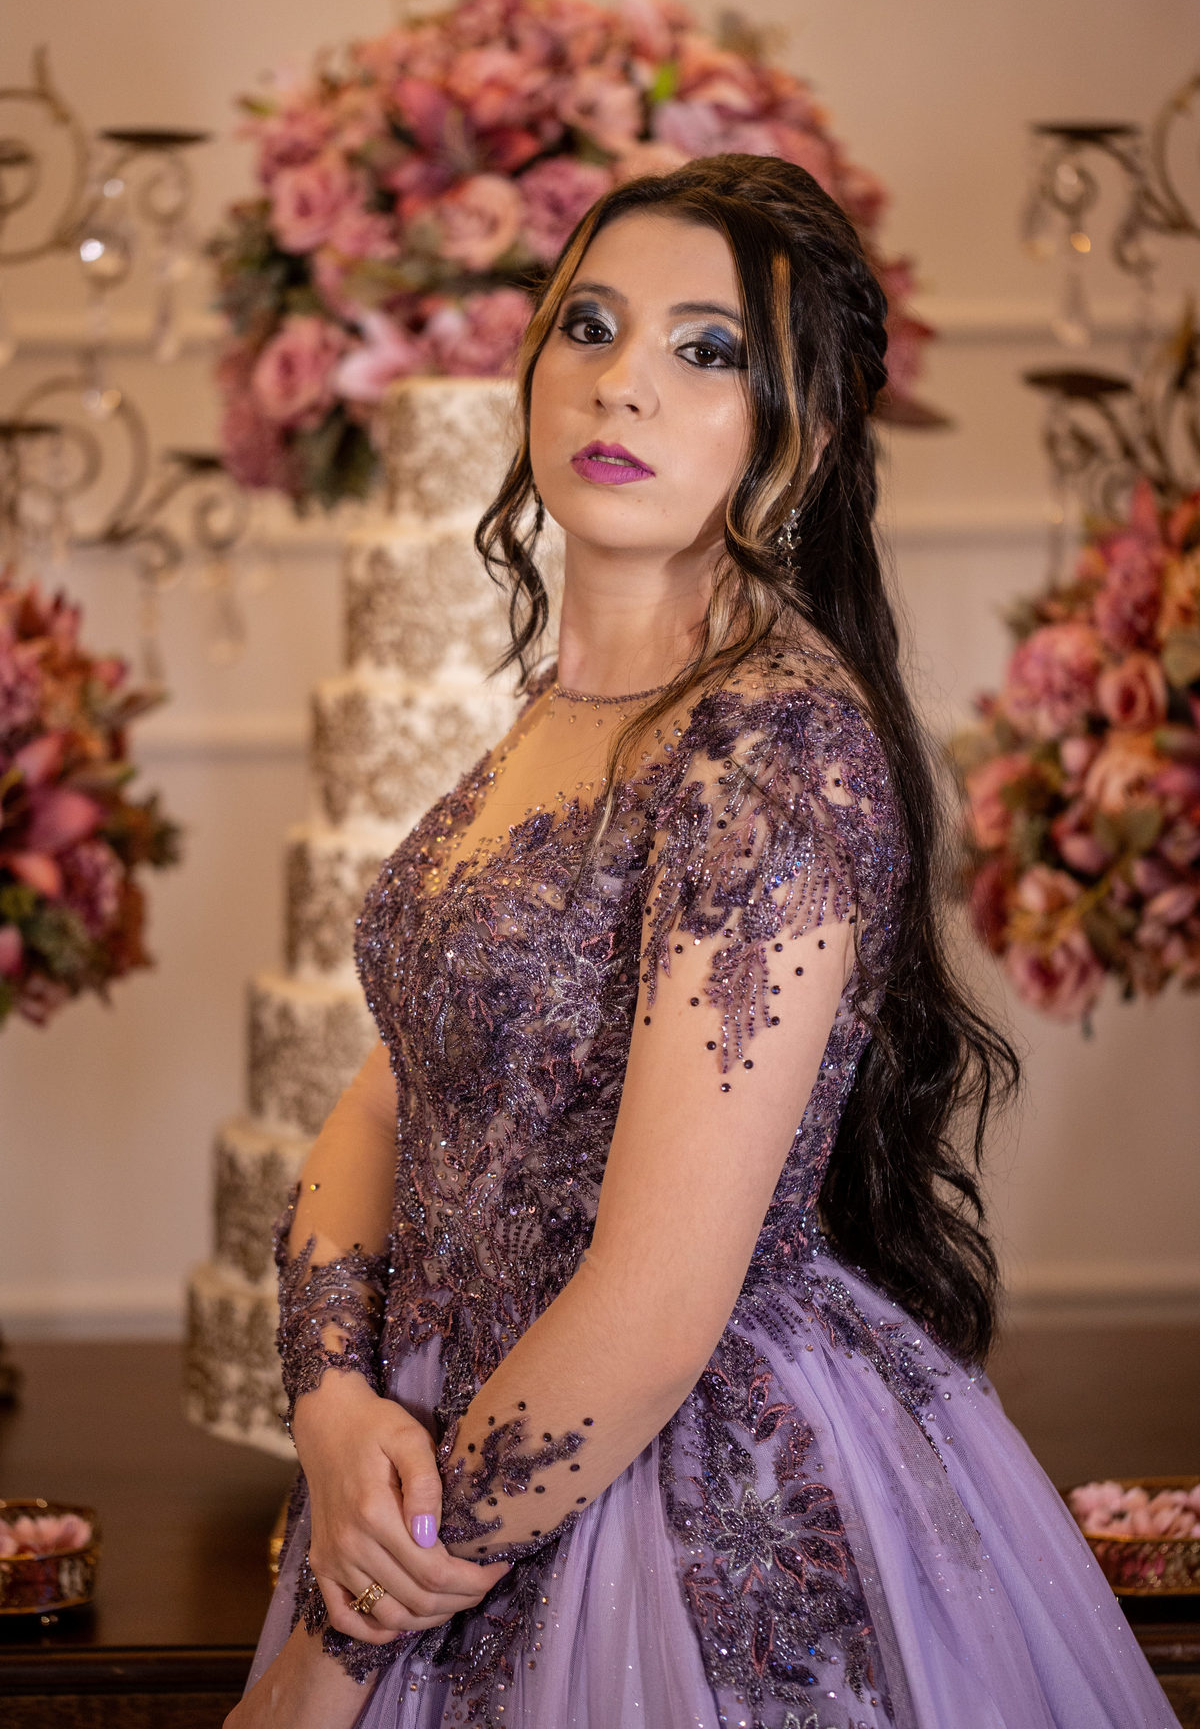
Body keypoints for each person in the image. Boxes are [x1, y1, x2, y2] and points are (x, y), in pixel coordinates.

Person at [230, 154, 1178, 1729]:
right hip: (434, 1454)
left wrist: (342, 1645)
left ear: (800, 434)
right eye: (590, 325)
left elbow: (659, 1307)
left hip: (662, 1492)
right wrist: (331, 1403)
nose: (624, 383)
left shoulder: (773, 749)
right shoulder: (552, 718)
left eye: (708, 349)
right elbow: (393, 1096)